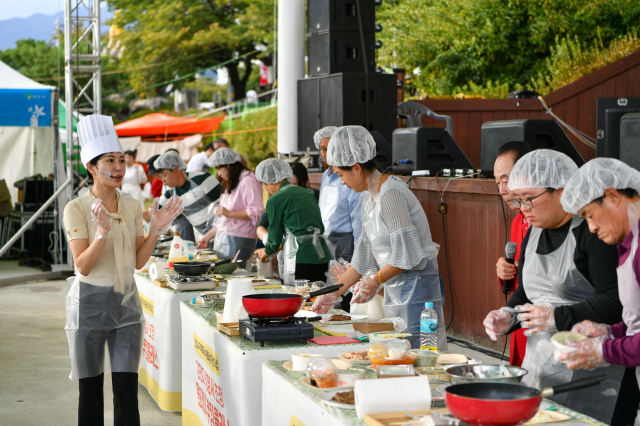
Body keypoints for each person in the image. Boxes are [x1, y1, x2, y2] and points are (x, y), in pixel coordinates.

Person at [482, 149, 624, 423]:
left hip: (594, 372)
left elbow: (617, 301)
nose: (523, 209)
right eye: (519, 200)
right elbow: (528, 289)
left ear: (561, 190)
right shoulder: (535, 229)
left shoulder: (593, 231)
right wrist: (508, 315)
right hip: (543, 364)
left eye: (530, 199)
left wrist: (557, 317)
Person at [63, 115, 183, 426]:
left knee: (127, 392)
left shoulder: (131, 205)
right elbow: (83, 266)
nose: (119, 167)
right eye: (110, 160)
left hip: (127, 307)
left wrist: (155, 228)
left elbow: (138, 261)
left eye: (121, 160)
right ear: (92, 167)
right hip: (89, 306)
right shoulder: (76, 208)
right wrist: (101, 233)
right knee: (90, 393)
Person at [310, 126, 445, 350]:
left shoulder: (390, 192)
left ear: (356, 168)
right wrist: (334, 292)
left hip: (416, 287)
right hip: (395, 287)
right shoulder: (368, 197)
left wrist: (375, 280)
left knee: (417, 350)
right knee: (398, 349)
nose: (342, 182)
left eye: (342, 175)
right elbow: (363, 255)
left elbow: (408, 253)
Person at [557, 158, 640, 426]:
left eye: (590, 215)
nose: (591, 228)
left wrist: (602, 350)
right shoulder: (628, 243)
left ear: (613, 196)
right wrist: (609, 331)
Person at [253, 158, 332, 284]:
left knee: (299, 300)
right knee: (317, 299)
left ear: (267, 182)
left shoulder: (276, 199)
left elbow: (274, 238)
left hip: (299, 258)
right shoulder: (306, 193)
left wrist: (267, 251)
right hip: (320, 256)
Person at [493, 141, 534, 367]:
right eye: (498, 183)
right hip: (519, 319)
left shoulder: (549, 221)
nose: (502, 190)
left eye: (506, 181)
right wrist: (505, 269)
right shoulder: (519, 221)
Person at [195, 148, 264, 269]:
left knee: (233, 276)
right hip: (224, 237)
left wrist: (230, 213)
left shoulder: (248, 181)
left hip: (241, 239)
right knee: (223, 275)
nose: (218, 174)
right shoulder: (230, 183)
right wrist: (207, 237)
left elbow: (256, 212)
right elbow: (223, 219)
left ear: (228, 165)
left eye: (219, 169)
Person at [147, 152, 220, 241]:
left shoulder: (203, 180)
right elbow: (152, 211)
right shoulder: (170, 192)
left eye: (165, 175)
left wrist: (211, 234)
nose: (163, 180)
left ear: (176, 170)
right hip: (202, 238)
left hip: (221, 233)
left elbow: (225, 210)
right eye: (161, 176)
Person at [315, 126, 362, 263]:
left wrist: (359, 247)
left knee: (343, 282)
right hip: (325, 237)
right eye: (323, 149)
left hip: (346, 239)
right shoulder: (326, 175)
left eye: (330, 147)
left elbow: (358, 215)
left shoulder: (351, 174)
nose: (326, 153)